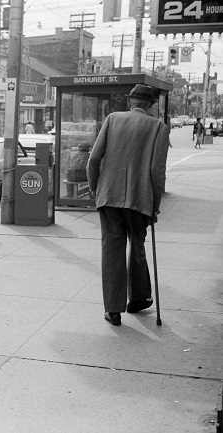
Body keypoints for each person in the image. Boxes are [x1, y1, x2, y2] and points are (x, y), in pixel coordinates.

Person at [87, 84, 171, 327]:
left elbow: (94, 159)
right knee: (137, 246)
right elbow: (157, 172)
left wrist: (95, 188)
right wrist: (154, 205)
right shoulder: (158, 128)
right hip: (139, 198)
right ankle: (138, 299)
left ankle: (113, 310)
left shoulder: (112, 119)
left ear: (129, 102)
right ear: (151, 105)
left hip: (109, 196)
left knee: (111, 250)